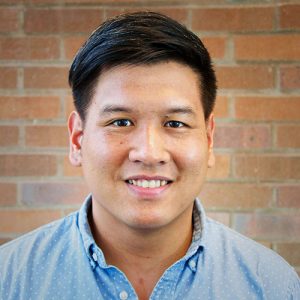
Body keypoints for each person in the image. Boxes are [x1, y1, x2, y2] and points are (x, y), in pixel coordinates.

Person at [0, 11, 299, 300]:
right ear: (78, 139)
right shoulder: (9, 279)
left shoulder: (272, 284)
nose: (149, 153)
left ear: (208, 139)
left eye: (175, 123)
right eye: (120, 122)